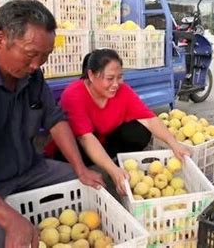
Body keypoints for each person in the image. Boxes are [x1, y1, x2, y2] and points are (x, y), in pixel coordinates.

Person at [0, 0, 104, 248]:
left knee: (90, 184)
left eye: (45, 56)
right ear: (0, 39)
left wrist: (80, 168)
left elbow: (55, 119)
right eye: (30, 54)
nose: (37, 64)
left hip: (24, 169)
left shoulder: (31, 74)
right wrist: (10, 221)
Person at [45, 49, 189, 196]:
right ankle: (109, 169)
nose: (116, 84)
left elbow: (150, 119)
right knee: (70, 170)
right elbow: (85, 138)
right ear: (91, 75)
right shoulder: (74, 94)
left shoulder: (122, 91)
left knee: (139, 131)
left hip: (103, 142)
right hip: (73, 150)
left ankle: (116, 166)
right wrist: (113, 171)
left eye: (120, 77)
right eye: (109, 78)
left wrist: (175, 145)